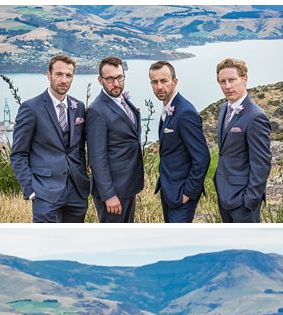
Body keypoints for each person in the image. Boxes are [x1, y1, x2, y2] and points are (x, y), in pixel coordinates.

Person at [10, 53, 90, 223]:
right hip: (44, 192)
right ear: (49, 75)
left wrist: (83, 178)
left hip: (76, 191)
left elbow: (79, 149)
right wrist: (30, 189)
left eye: (68, 75)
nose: (64, 80)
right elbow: (18, 154)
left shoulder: (79, 107)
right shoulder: (31, 108)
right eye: (59, 74)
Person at [149, 61, 209, 223]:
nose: (159, 86)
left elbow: (202, 157)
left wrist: (188, 193)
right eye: (154, 82)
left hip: (181, 194)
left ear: (174, 82)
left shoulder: (185, 113)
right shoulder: (169, 108)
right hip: (169, 191)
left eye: (164, 81)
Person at [86, 56, 144, 223]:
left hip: (128, 185)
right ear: (100, 80)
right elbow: (97, 158)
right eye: (110, 79)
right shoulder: (97, 111)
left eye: (119, 77)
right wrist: (109, 195)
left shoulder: (122, 101)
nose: (116, 83)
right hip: (113, 192)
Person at [213, 58, 271, 223]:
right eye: (222, 81)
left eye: (232, 80)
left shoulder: (256, 116)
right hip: (224, 194)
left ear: (244, 79)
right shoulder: (224, 108)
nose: (227, 86)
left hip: (243, 201)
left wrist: (251, 200)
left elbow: (261, 163)